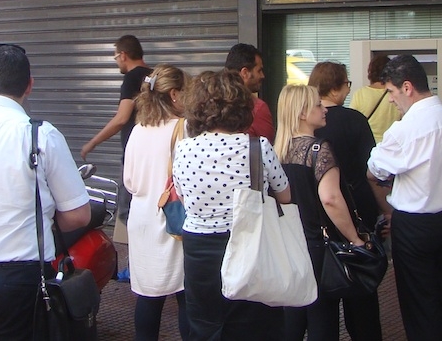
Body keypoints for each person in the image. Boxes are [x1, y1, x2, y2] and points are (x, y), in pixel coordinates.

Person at [0, 43, 91, 340]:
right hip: (25, 282)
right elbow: (78, 215)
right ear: (29, 86)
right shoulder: (42, 134)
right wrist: (47, 220)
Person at [173, 69, 290, 341]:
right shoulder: (257, 147)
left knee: (205, 323)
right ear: (242, 105)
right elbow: (284, 194)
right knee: (254, 323)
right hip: (249, 242)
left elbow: (180, 194)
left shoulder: (184, 148)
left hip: (198, 249)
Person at [366, 55, 442, 341]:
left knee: (419, 303)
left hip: (416, 225)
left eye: (391, 91)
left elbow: (375, 167)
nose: (390, 99)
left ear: (407, 87)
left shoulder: (406, 128)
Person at [273, 84, 365, 341]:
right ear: (302, 113)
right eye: (317, 104)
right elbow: (331, 199)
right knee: (321, 319)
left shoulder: (276, 150)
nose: (325, 108)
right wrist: (355, 239)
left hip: (287, 243)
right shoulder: (318, 149)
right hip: (316, 246)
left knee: (291, 317)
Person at [308, 62, 383, 340]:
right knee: (361, 282)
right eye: (347, 84)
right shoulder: (355, 120)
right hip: (356, 206)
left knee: (323, 287)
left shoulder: (305, 126)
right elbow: (371, 170)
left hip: (318, 218)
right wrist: (384, 211)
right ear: (337, 87)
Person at [123, 64, 189, 341]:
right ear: (174, 94)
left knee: (149, 297)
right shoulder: (185, 129)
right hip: (173, 219)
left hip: (142, 219)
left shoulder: (139, 129)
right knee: (187, 295)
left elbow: (131, 183)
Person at [81, 34, 152, 160]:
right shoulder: (155, 76)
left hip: (135, 155)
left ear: (123, 55)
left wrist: (93, 142)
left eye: (116, 57)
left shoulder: (131, 78)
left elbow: (121, 118)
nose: (117, 62)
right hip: (153, 151)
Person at [224, 43, 275, 143]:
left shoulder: (211, 104)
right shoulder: (257, 108)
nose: (262, 76)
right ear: (245, 73)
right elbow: (268, 148)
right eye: (259, 70)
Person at [350, 54, 399, 143]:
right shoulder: (396, 94)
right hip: (391, 143)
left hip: (367, 143)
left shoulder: (360, 94)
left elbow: (352, 122)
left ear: (370, 71)